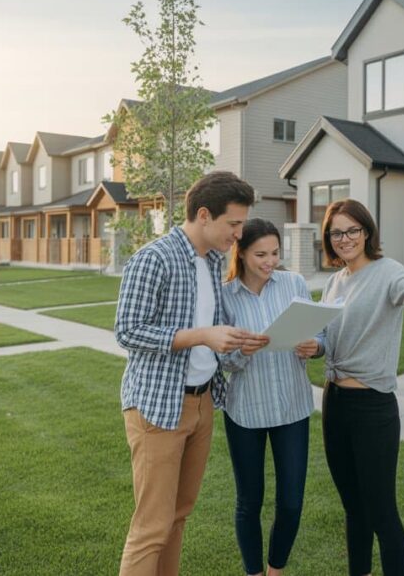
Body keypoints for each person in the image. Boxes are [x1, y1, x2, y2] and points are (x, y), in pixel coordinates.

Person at [115, 171, 269, 576]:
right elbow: (127, 331)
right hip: (158, 408)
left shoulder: (214, 262)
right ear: (204, 215)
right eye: (233, 224)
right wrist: (202, 335)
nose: (239, 234)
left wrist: (236, 343)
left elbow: (212, 331)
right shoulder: (154, 258)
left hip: (202, 405)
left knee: (179, 515)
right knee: (151, 525)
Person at [313, 199, 404, 576]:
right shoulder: (335, 281)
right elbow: (328, 338)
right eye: (336, 233)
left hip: (372, 408)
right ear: (328, 239)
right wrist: (312, 345)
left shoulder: (386, 271)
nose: (345, 238)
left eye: (352, 230)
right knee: (353, 508)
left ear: (366, 232)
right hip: (335, 403)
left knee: (381, 512)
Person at [219, 218, 322, 576]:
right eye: (261, 254)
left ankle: (275, 570)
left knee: (291, 502)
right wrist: (242, 351)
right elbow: (222, 359)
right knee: (249, 502)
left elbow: (318, 334)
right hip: (246, 410)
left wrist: (314, 346)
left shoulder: (293, 283)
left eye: (275, 253)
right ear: (242, 253)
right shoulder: (226, 295)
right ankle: (254, 573)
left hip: (292, 408)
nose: (270, 261)